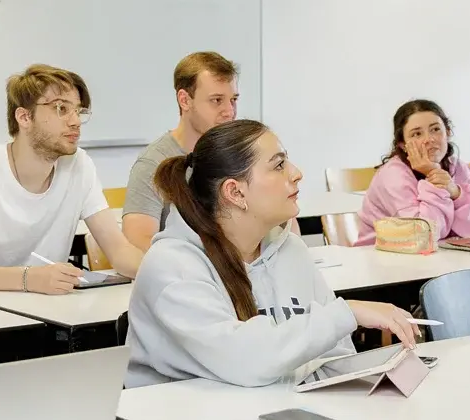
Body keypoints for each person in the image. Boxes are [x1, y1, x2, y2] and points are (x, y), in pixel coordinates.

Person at [124, 119, 420, 388]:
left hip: (279, 412)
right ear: (235, 192)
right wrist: (347, 312)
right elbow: (246, 362)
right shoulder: (171, 265)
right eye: (279, 165)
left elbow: (336, 355)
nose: (297, 173)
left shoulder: (291, 250)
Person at [0, 65, 143, 293]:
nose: (75, 121)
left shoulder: (79, 165)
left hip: (48, 307)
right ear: (24, 117)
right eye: (61, 108)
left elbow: (120, 252)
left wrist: (161, 273)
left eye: (78, 111)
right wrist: (27, 279)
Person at [121, 52, 242, 251]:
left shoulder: (239, 155)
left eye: (233, 100)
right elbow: (137, 241)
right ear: (185, 100)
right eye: (216, 100)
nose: (229, 111)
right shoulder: (153, 163)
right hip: (186, 267)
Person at [354, 99, 470, 246]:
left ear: (448, 132)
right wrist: (433, 175)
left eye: (435, 129)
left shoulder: (460, 168)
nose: (429, 139)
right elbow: (424, 235)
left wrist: (456, 193)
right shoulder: (393, 175)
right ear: (403, 145)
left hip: (445, 255)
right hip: (384, 256)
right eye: (417, 134)